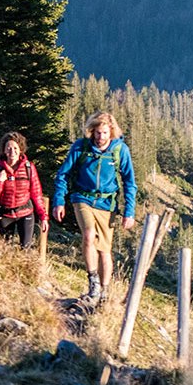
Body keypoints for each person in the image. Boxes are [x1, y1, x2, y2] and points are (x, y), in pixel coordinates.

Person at [52, 111, 136, 304]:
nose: (101, 137)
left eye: (105, 133)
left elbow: (129, 182)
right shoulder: (80, 147)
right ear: (92, 131)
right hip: (83, 198)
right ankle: (93, 282)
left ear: (111, 132)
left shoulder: (120, 150)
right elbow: (63, 174)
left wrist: (129, 211)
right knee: (89, 235)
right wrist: (59, 201)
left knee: (104, 251)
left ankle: (104, 292)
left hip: (107, 203)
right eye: (97, 132)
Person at [0, 131, 48, 248]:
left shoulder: (29, 167)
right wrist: (0, 181)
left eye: (15, 148)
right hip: (5, 214)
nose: (12, 151)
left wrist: (43, 217)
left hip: (25, 213)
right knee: (4, 249)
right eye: (8, 148)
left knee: (25, 248)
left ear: (20, 149)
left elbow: (36, 194)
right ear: (4, 150)